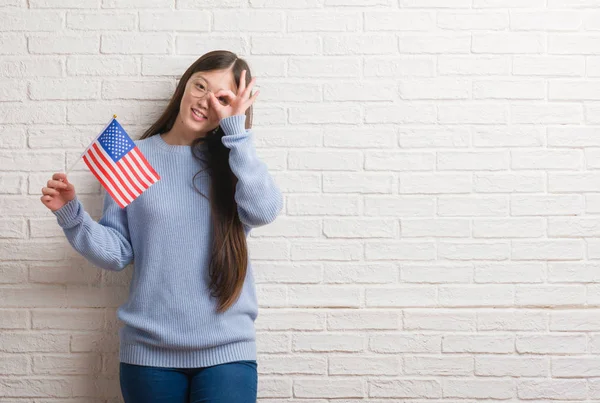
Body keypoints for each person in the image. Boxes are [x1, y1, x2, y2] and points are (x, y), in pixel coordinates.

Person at [39, 50, 283, 403]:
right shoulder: (131, 158)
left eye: (222, 98)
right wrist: (72, 214)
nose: (205, 101)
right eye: (200, 86)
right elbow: (118, 252)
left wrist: (237, 133)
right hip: (149, 354)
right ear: (185, 85)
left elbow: (263, 211)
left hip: (228, 350)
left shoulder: (236, 163)